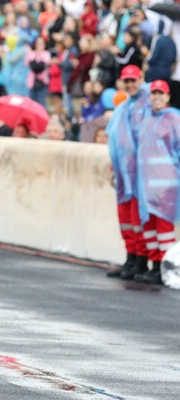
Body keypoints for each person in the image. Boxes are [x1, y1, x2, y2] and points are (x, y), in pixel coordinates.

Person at [106, 64, 151, 280]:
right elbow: (115, 140)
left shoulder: (148, 103)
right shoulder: (123, 107)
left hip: (141, 172)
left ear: (141, 79)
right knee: (125, 217)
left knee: (139, 218)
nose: (131, 84)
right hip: (124, 171)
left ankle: (141, 262)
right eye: (127, 81)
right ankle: (131, 258)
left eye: (134, 80)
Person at [134, 80, 180, 284]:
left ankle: (164, 266)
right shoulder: (147, 118)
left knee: (164, 228)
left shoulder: (174, 119)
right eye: (154, 93)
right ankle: (154, 265)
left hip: (166, 185)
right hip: (147, 185)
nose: (157, 97)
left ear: (168, 96)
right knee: (149, 226)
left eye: (161, 93)